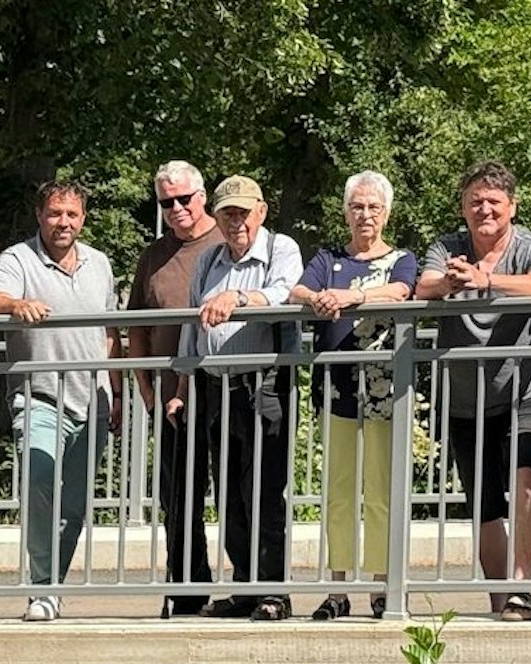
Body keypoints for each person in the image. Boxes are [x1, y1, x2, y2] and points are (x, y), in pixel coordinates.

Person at [415, 161, 531, 621]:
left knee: (528, 479)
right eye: (475, 201)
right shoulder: (448, 246)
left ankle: (521, 587)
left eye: (494, 201)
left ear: (511, 206)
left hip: (526, 386)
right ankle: (499, 600)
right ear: (463, 208)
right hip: (465, 395)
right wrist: (451, 281)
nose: (485, 209)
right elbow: (423, 286)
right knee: (485, 503)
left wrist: (487, 280)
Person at [0, 182, 122, 622]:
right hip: (40, 394)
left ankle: (52, 586)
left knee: (75, 504)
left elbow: (110, 334)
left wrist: (115, 391)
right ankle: (41, 588)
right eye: (55, 213)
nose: (63, 222)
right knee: (39, 480)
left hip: (93, 397)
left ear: (82, 218)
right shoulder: (18, 258)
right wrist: (17, 304)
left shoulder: (99, 263)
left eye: (72, 214)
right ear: (39, 215)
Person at [289, 170, 416, 621]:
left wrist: (347, 296)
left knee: (380, 490)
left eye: (373, 207)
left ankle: (383, 586)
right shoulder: (329, 257)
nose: (365, 215)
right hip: (337, 385)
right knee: (339, 491)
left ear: (387, 213)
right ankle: (337, 585)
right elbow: (300, 288)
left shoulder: (401, 257)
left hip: (384, 388)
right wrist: (318, 298)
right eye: (357, 207)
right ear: (346, 212)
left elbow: (401, 291)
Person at [177, 175, 304, 620]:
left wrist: (238, 297)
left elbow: (283, 293)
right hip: (216, 386)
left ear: (261, 211)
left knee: (265, 490)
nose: (236, 222)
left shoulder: (280, 248)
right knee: (228, 494)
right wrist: (181, 386)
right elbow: (191, 327)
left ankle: (274, 591)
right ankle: (246, 587)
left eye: (243, 212)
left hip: (263, 384)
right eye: (227, 213)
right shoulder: (209, 260)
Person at [129, 160, 224, 618]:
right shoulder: (153, 256)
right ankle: (187, 588)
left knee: (237, 492)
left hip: (224, 389)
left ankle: (253, 587)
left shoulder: (228, 241)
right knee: (178, 497)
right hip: (169, 399)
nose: (177, 208)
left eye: (184, 199)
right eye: (167, 202)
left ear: (202, 196)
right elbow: (134, 326)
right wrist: (146, 388)